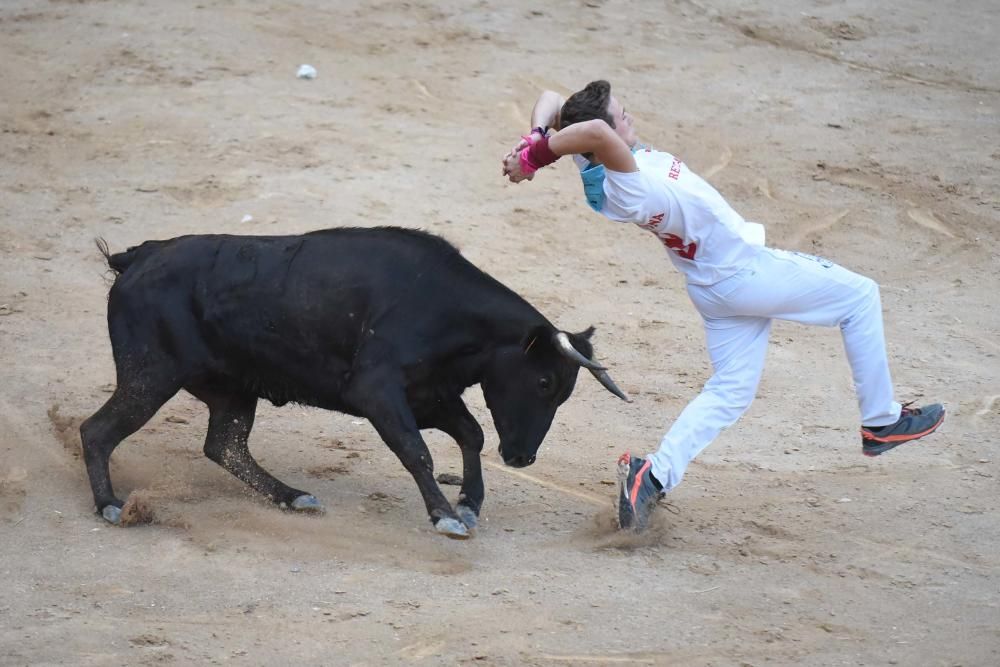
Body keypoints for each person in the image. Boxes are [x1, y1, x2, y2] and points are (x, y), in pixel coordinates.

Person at [501, 80, 945, 531]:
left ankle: (652, 476)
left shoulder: (597, 161)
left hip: (715, 288)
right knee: (860, 295)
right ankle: (881, 421)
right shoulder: (623, 182)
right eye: (624, 115)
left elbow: (553, 97)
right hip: (747, 272)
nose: (629, 118)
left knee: (731, 390)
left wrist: (534, 141)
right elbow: (594, 129)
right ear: (605, 136)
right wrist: (538, 157)